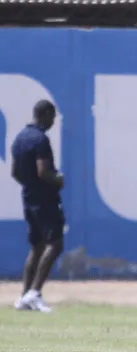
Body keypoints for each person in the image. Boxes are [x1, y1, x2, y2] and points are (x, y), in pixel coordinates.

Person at [11, 100, 65, 313]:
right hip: (45, 200)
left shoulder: (19, 138)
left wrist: (30, 185)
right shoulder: (40, 139)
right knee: (55, 243)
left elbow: (15, 173)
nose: (53, 121)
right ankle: (35, 293)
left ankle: (24, 295)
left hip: (29, 198)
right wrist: (58, 179)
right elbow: (43, 171)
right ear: (45, 114)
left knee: (37, 246)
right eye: (52, 117)